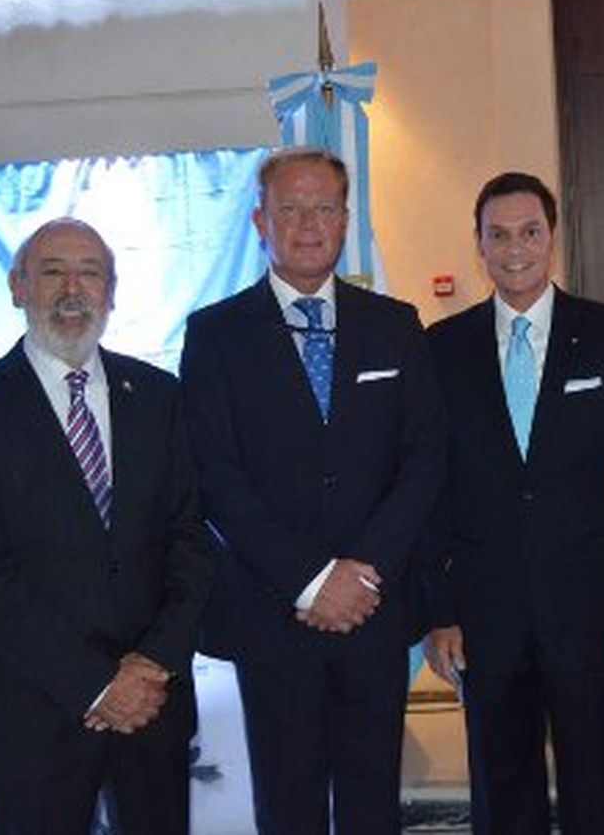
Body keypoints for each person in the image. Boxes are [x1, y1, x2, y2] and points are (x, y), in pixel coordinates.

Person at [180, 147, 444, 834]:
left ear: (345, 219)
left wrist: (361, 574)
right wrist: (309, 579)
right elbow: (214, 474)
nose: (307, 223)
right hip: (274, 614)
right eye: (290, 209)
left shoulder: (396, 325)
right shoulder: (215, 335)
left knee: (372, 805)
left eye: (323, 207)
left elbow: (423, 462)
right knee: (287, 807)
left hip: (374, 609)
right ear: (259, 220)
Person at [0, 218, 212, 833]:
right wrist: (97, 685)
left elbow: (189, 538)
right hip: (32, 713)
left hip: (152, 708)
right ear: (16, 286)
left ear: (112, 291)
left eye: (90, 272)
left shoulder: (159, 396)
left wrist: (151, 665)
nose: (72, 287)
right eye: (52, 270)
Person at [421, 171, 604, 833]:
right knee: (502, 799)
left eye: (529, 231)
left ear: (551, 238)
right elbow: (429, 491)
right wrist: (439, 612)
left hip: (588, 613)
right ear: (478, 244)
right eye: (498, 235)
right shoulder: (442, 349)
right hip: (483, 615)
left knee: (593, 794)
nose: (515, 248)